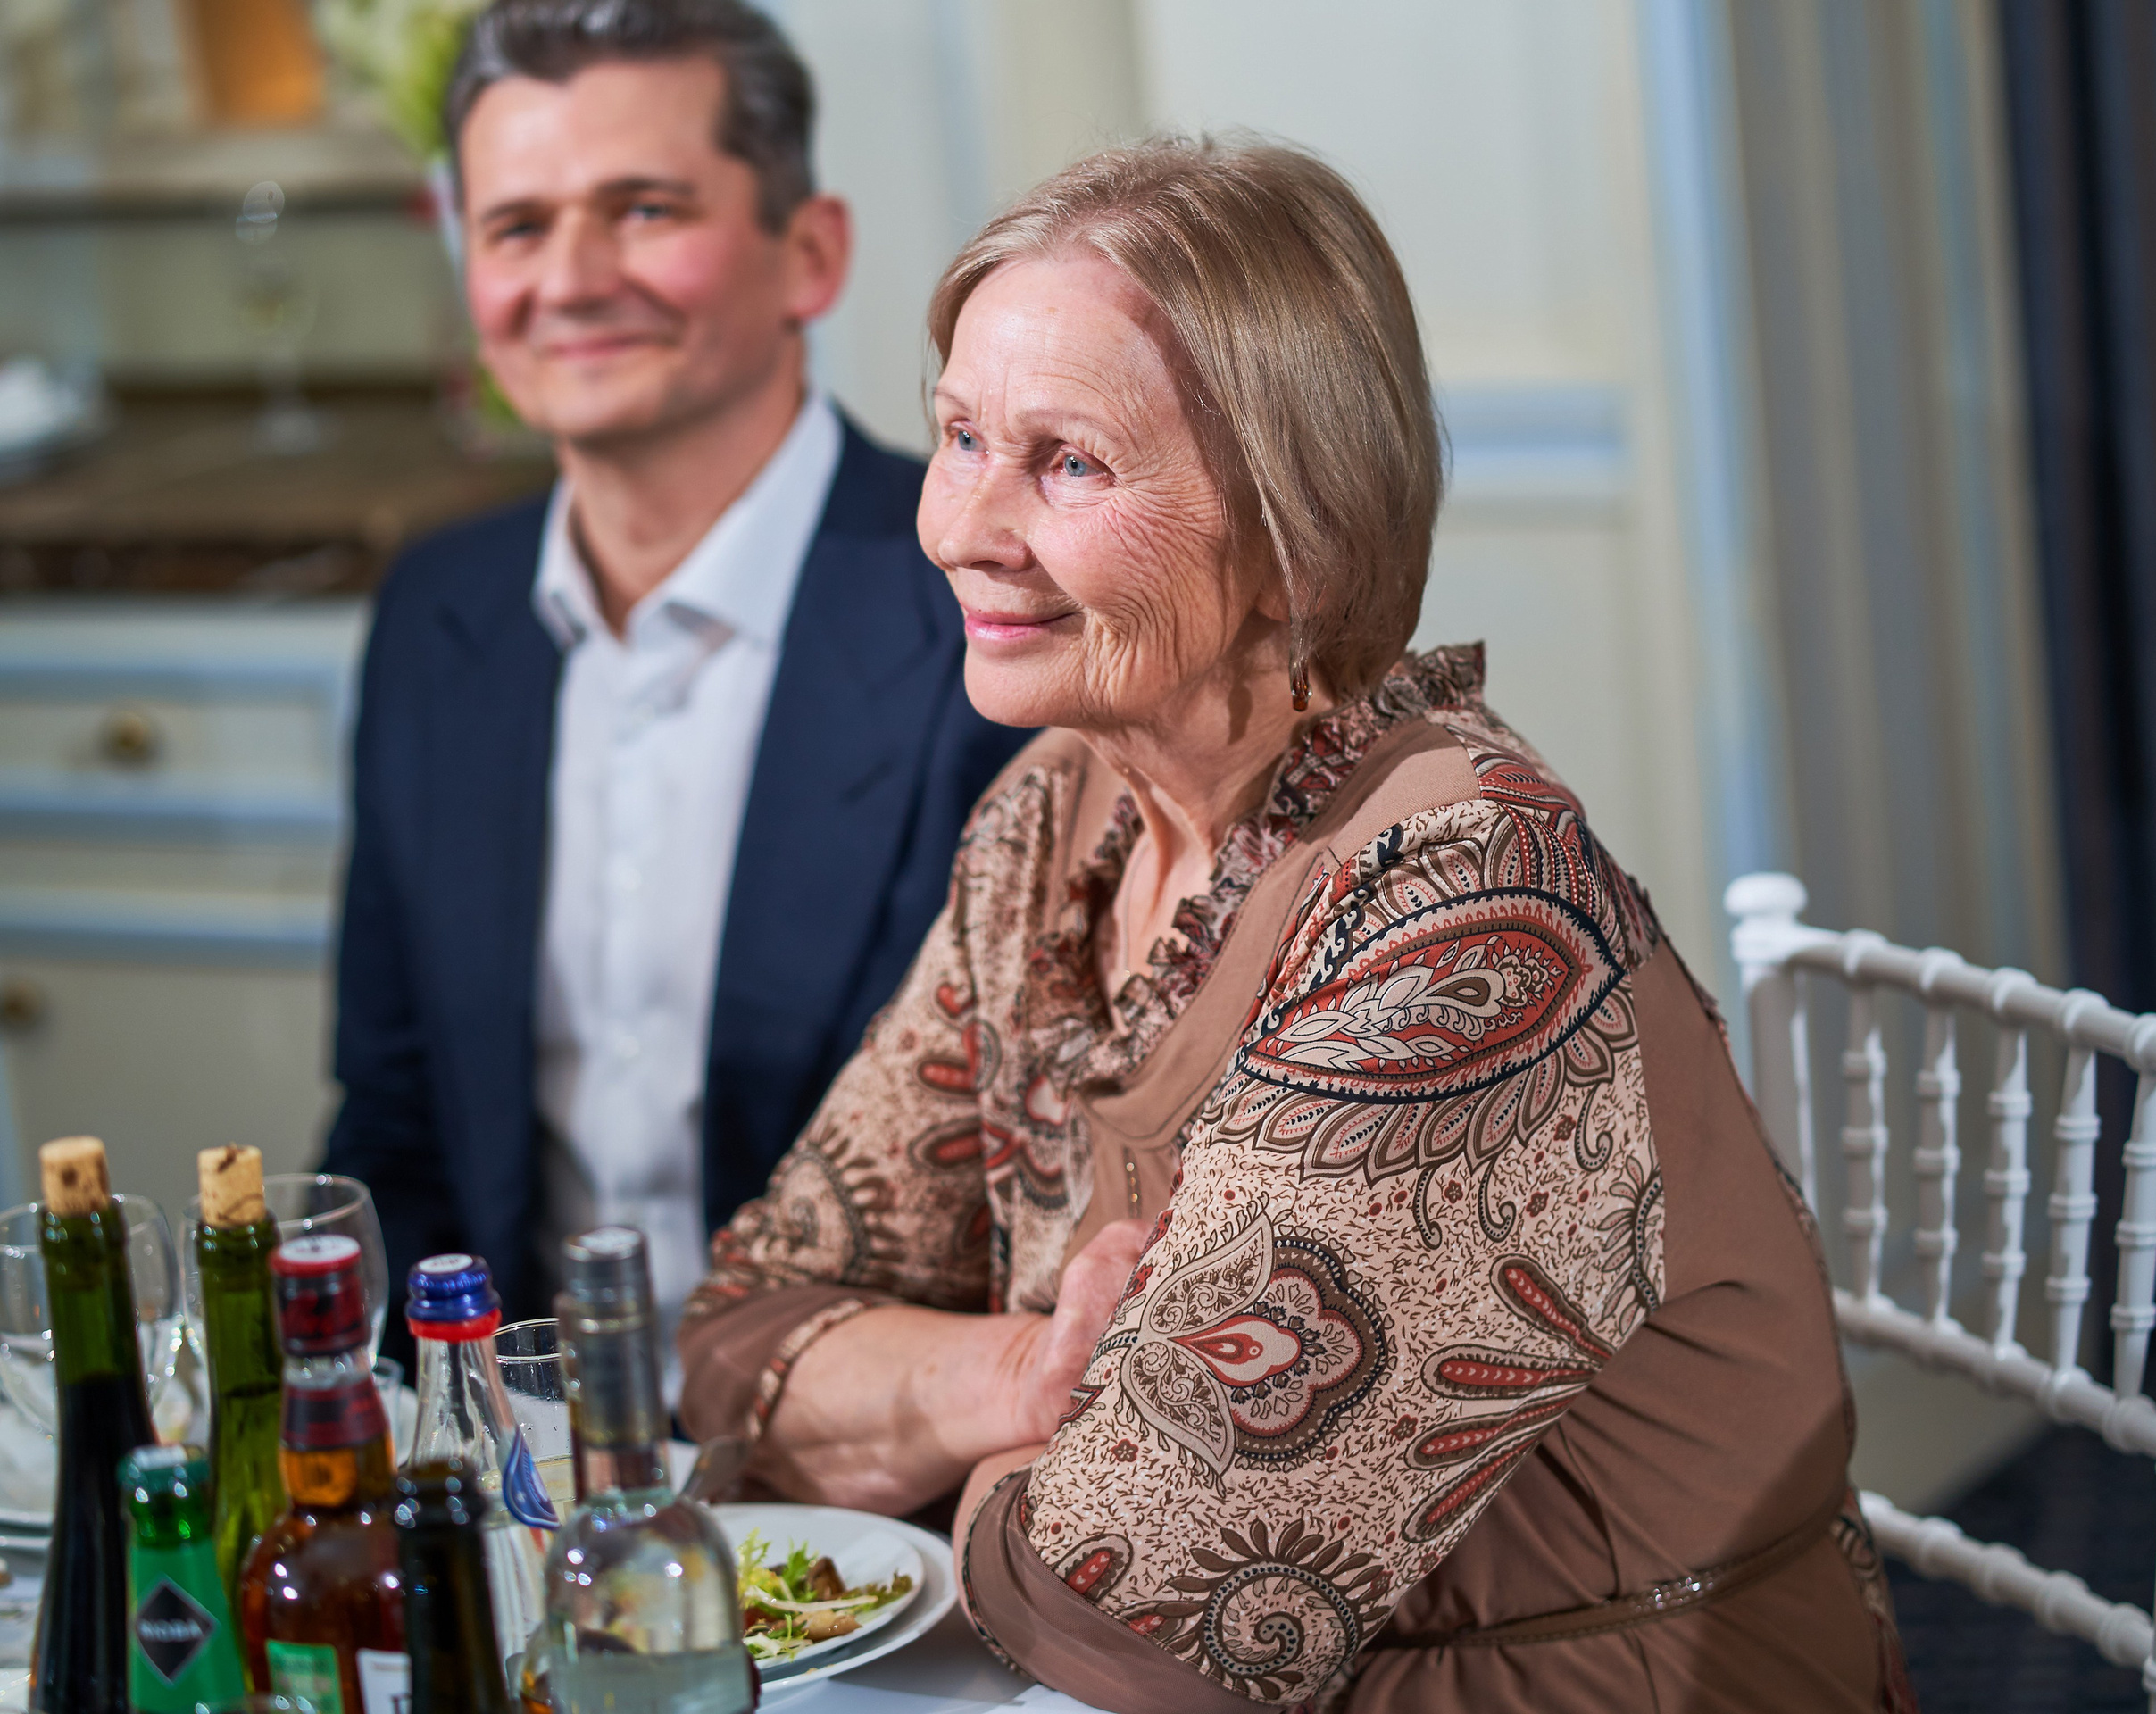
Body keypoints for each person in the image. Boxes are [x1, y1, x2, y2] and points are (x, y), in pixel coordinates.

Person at [678, 136, 1919, 1711]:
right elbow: (740, 1333)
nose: (960, 527)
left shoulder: (1469, 916)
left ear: (1297, 538)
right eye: (960, 437)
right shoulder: (1052, 826)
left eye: (1066, 463)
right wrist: (1028, 1377)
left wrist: (956, 1438)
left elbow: (1130, 1610)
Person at [322, 0, 1028, 1365]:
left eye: (645, 209)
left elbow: (1040, 1189)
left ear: (810, 254)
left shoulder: (989, 605)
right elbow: (394, 1124)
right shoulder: (435, 615)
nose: (572, 278)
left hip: (887, 1492)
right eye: (517, 227)